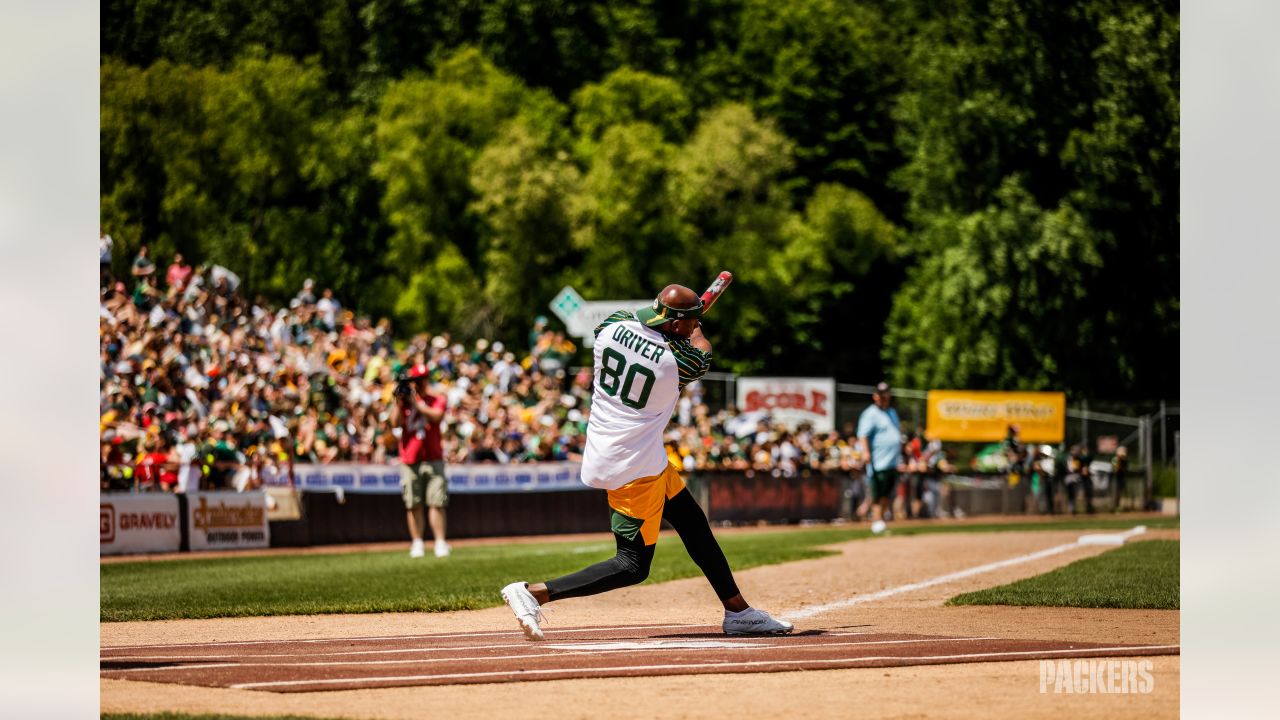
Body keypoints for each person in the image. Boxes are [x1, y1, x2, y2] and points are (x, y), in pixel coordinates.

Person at [500, 284, 794, 640]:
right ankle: (534, 593)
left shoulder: (610, 327)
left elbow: (646, 325)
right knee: (632, 565)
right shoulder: (676, 362)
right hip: (633, 465)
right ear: (676, 325)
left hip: (629, 452)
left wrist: (683, 318)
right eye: (688, 321)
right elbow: (702, 351)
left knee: (692, 523)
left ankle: (739, 611)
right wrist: (695, 325)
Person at [392, 364, 450, 558]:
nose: (419, 384)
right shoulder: (404, 402)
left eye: (422, 379)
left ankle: (440, 541)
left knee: (437, 501)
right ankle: (417, 542)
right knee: (413, 503)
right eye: (416, 380)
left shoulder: (436, 399)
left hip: (433, 456)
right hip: (410, 457)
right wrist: (398, 401)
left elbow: (436, 417)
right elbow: (394, 423)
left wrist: (417, 403)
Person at [857, 382, 903, 533]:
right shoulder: (870, 414)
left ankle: (881, 519)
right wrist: (866, 452)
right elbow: (863, 435)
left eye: (886, 394)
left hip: (893, 461)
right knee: (878, 492)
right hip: (879, 460)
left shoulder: (892, 412)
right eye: (881, 394)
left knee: (887, 493)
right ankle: (876, 520)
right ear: (875, 396)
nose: (884, 397)